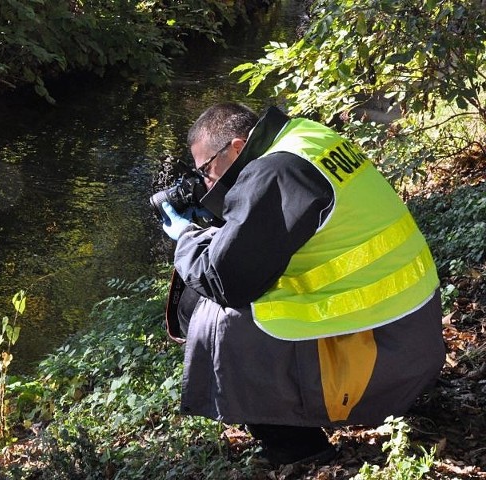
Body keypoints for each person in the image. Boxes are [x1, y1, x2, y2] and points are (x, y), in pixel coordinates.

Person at [158, 102, 445, 466]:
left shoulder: (275, 173)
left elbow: (226, 281)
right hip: (415, 337)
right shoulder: (304, 138)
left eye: (207, 170)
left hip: (380, 361)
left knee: (210, 314)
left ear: (236, 146)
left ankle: (297, 448)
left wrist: (186, 237)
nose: (207, 183)